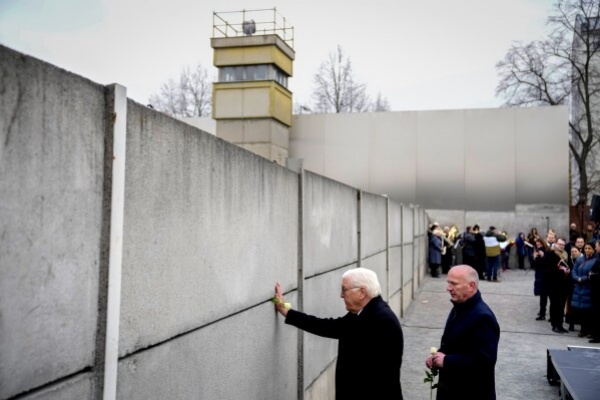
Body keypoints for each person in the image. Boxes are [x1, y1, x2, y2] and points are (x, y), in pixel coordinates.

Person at [273, 268, 404, 399]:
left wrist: (287, 311)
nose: (341, 295)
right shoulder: (367, 311)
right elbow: (328, 326)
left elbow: (379, 376)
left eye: (344, 289)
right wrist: (287, 310)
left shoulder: (380, 319)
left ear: (362, 292)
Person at [425, 265, 500, 400]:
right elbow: (456, 345)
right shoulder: (460, 306)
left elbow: (485, 361)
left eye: (453, 284)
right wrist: (437, 356)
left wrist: (446, 361)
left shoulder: (483, 317)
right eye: (448, 283)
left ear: (471, 286)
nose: (448, 288)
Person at [570, 243, 597, 337]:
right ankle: (583, 329)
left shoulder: (595, 260)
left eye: (589, 248)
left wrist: (583, 279)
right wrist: (577, 278)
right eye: (586, 248)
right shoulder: (580, 259)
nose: (587, 250)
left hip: (588, 287)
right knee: (580, 310)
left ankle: (589, 330)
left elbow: (592, 274)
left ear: (593, 249)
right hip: (578, 286)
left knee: (588, 310)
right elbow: (574, 270)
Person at [546, 237, 570, 333]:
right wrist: (560, 270)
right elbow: (548, 270)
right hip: (553, 284)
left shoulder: (565, 254)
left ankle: (560, 325)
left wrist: (567, 270)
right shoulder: (551, 254)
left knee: (561, 306)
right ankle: (554, 325)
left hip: (563, 284)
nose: (561, 246)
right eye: (560, 244)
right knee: (555, 305)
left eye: (563, 245)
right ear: (556, 244)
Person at [532, 238, 550, 320]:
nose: (538, 246)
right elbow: (535, 265)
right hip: (539, 276)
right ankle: (542, 313)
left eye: (540, 244)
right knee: (542, 296)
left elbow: (545, 264)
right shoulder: (536, 252)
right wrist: (534, 258)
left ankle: (546, 313)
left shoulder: (546, 252)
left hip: (546, 276)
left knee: (547, 295)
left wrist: (543, 256)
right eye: (537, 244)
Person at [588, 240, 600, 343]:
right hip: (595, 289)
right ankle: (595, 334)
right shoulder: (597, 257)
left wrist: (592, 275)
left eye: (596, 246)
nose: (595, 248)